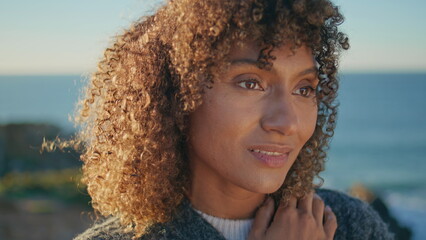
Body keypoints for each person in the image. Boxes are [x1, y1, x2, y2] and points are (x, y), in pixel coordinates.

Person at [72, 0, 394, 239]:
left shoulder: (351, 226)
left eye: (304, 88)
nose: (287, 123)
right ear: (178, 96)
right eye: (250, 83)